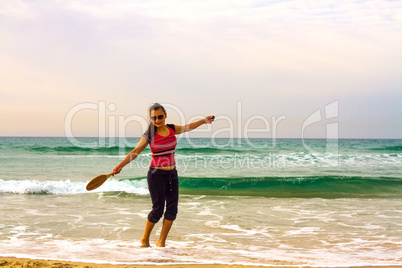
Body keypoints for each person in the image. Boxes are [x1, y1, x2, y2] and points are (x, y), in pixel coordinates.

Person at [113, 103, 215, 247]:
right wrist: (120, 166)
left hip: (172, 174)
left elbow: (189, 127)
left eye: (160, 116)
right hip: (156, 175)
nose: (157, 120)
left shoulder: (172, 129)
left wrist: (204, 121)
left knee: (172, 210)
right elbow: (136, 151)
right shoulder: (149, 134)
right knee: (158, 210)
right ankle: (145, 239)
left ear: (165, 115)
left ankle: (161, 242)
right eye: (154, 118)